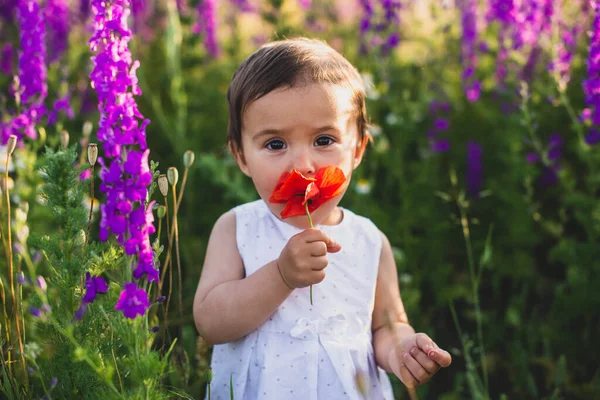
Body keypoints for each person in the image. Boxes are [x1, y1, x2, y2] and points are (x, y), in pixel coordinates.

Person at [192, 37, 452, 400]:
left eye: (324, 140)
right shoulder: (237, 228)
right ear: (241, 156)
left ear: (358, 148)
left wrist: (402, 349)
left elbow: (386, 327)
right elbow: (210, 322)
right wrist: (280, 275)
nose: (303, 165)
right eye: (275, 144)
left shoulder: (368, 240)